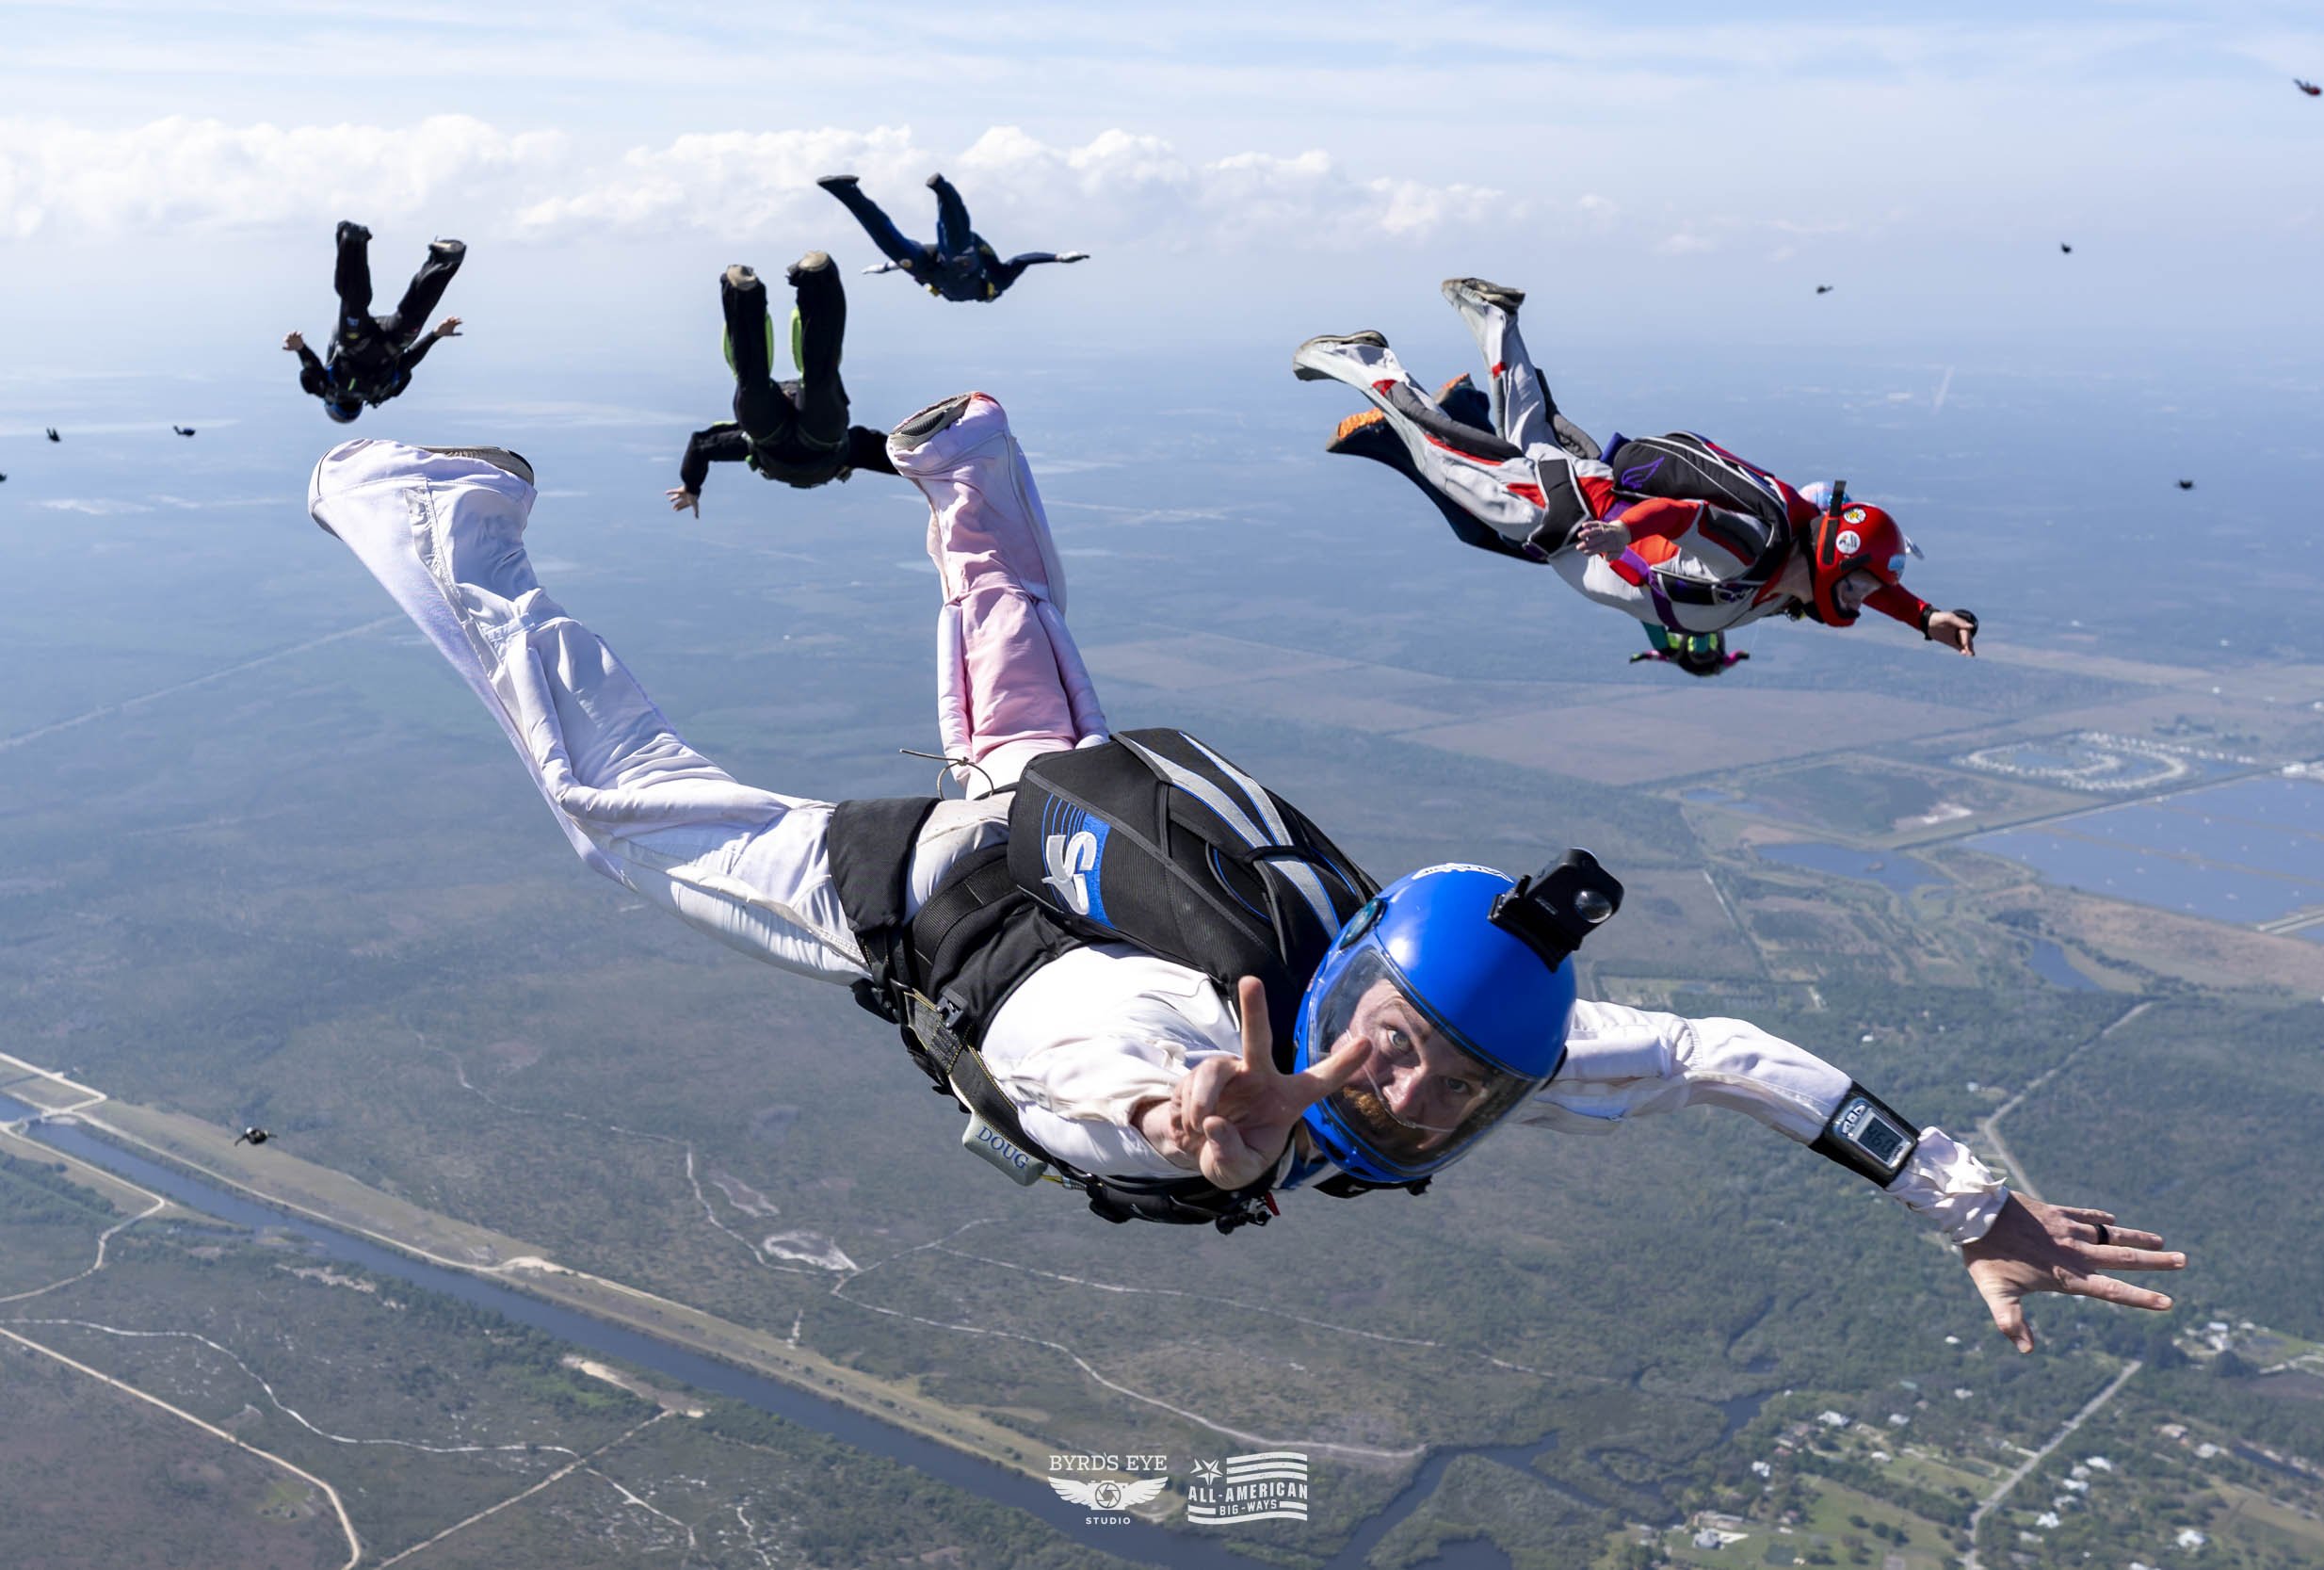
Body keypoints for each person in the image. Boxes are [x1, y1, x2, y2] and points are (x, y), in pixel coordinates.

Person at [308, 397, 2180, 1353]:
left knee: (1016, 656)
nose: (1410, 1086)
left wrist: (1951, 1194)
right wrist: (1191, 1115)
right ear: (1348, 972)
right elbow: (1082, 1054)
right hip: (943, 902)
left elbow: (1715, 1051)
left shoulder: (1477, 1033)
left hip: (1054, 795)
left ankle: (965, 451)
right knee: (624, 816)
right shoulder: (1209, 1042)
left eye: (1446, 1085)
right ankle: (426, 513)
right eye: (1396, 1053)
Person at [1297, 279, 1981, 659]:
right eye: (1860, 588)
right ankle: (1360, 361)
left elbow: (1868, 576)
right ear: (1836, 564)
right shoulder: (1759, 549)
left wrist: (1926, 618)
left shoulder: (1793, 567)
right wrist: (1624, 537)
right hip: (1568, 519)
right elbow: (1686, 518)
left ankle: (1493, 315)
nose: (1862, 603)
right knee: (1439, 451)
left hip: (1581, 516)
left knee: (1524, 425)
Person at [668, 252, 894, 516]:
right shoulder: (750, 445)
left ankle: (816, 278)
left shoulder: (852, 451)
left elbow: (900, 455)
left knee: (821, 373)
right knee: (751, 377)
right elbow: (701, 446)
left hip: (822, 437)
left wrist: (944, 469)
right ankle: (743, 293)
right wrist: (691, 486)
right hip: (768, 436)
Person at [283, 221, 464, 422]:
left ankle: (445, 260)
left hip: (375, 342)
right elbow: (407, 363)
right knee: (359, 301)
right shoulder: (375, 392)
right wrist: (300, 348)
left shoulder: (350, 390)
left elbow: (312, 370)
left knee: (405, 311)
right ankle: (354, 241)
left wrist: (435, 335)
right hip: (365, 341)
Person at [817, 172, 1087, 303]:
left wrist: (887, 267)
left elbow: (918, 274)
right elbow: (1021, 260)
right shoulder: (999, 281)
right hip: (962, 258)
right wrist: (1058, 257)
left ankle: (843, 189)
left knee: (884, 236)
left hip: (928, 263)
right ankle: (942, 189)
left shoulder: (958, 294)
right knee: (954, 237)